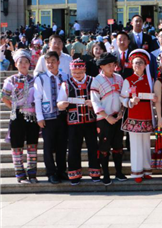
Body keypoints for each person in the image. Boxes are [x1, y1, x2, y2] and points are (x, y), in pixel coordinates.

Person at [57, 58, 100, 185]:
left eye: (80, 72)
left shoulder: (93, 81)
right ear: (71, 72)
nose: (78, 75)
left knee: (93, 147)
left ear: (84, 70)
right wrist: (62, 104)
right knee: (74, 149)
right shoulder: (66, 84)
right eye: (75, 73)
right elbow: (59, 103)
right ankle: (74, 175)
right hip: (74, 122)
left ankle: (95, 173)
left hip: (90, 120)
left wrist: (92, 103)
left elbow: (100, 99)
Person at [1, 50, 38, 184]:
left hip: (32, 115)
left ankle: (32, 173)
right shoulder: (11, 80)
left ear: (30, 64)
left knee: (32, 144)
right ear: (16, 64)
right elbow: (4, 97)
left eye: (26, 62)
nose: (23, 64)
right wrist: (14, 108)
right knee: (17, 144)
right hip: (17, 115)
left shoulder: (35, 80)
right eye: (20, 62)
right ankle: (20, 173)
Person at [91, 53, 126, 185]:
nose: (112, 67)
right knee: (104, 147)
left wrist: (122, 111)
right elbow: (95, 102)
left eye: (113, 65)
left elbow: (123, 96)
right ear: (102, 66)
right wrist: (106, 116)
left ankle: (119, 172)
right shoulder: (96, 80)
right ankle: (105, 174)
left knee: (118, 145)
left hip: (117, 117)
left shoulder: (119, 78)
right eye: (109, 65)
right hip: (103, 118)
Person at [120, 49, 155, 183]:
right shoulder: (128, 81)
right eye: (135, 63)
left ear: (145, 65)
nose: (138, 66)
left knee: (146, 144)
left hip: (146, 116)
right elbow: (122, 98)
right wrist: (129, 102)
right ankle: (136, 172)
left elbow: (154, 95)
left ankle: (147, 170)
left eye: (140, 63)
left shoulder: (150, 80)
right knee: (135, 145)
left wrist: (156, 98)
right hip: (134, 117)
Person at [34, 51, 68, 184]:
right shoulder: (41, 78)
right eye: (48, 62)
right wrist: (39, 117)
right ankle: (51, 173)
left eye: (53, 61)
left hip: (62, 116)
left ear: (58, 62)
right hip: (47, 117)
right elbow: (37, 98)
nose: (50, 64)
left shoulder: (64, 76)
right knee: (48, 146)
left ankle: (61, 171)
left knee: (62, 145)